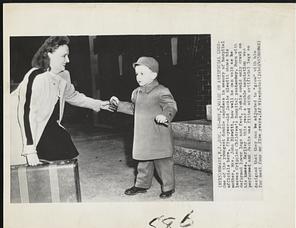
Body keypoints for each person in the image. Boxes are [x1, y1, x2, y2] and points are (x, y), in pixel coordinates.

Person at [10, 36, 113, 166]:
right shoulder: (35, 76)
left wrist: (98, 104)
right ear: (49, 55)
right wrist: (29, 149)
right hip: (19, 124)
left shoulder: (64, 75)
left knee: (64, 147)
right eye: (64, 56)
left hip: (47, 121)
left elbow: (73, 95)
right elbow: (26, 113)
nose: (68, 60)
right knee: (26, 164)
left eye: (68, 56)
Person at [110, 56, 178, 199]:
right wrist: (118, 105)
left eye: (142, 73)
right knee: (143, 161)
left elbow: (171, 106)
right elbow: (133, 108)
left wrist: (166, 115)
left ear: (154, 75)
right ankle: (141, 184)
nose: (138, 77)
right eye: (137, 74)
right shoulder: (136, 93)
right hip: (143, 134)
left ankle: (168, 187)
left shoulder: (161, 90)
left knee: (163, 162)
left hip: (158, 133)